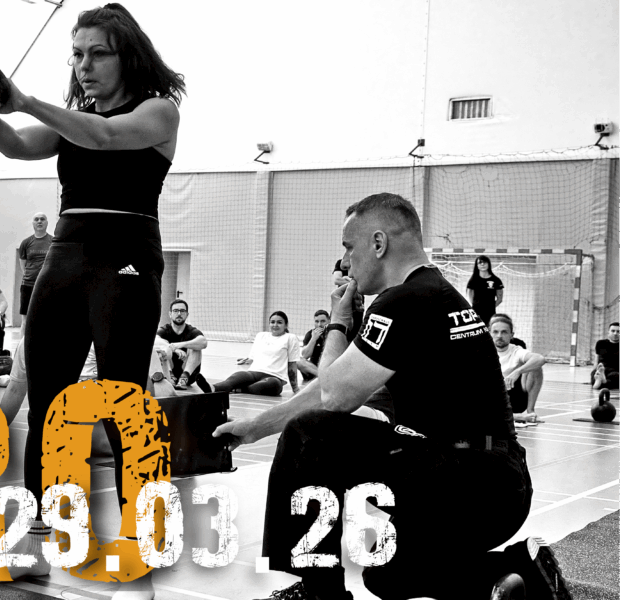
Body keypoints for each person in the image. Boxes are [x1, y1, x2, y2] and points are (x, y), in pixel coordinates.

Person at [214, 193, 558, 600]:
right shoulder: (440, 297)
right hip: (497, 487)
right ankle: (515, 573)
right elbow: (345, 396)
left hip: (466, 481)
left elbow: (333, 395)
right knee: (386, 573)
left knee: (310, 435)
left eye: (349, 247)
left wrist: (338, 323)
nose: (346, 263)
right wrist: (256, 428)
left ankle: (317, 593)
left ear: (378, 243)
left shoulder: (404, 300)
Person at [0, 4, 185, 594]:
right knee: (47, 406)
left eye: (96, 53)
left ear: (128, 55)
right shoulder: (72, 118)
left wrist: (26, 100)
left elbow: (105, 137)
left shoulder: (158, 111)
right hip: (65, 260)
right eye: (76, 54)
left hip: (125, 259)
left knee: (124, 405)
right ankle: (36, 542)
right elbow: (14, 145)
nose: (83, 65)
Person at [212, 311, 302, 396]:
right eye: (272, 322)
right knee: (236, 377)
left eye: (279, 322)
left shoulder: (291, 338)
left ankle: (241, 389)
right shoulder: (261, 335)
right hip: (253, 373)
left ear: (286, 325)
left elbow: (292, 364)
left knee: (274, 385)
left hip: (274, 377)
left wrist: (295, 388)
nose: (275, 325)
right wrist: (247, 360)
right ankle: (211, 388)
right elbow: (253, 357)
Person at [489, 314, 545, 425]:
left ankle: (530, 411)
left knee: (536, 368)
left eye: (504, 332)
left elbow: (540, 359)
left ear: (511, 335)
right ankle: (518, 417)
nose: (499, 336)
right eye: (495, 332)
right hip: (492, 399)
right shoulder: (481, 352)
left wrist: (517, 371)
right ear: (489, 334)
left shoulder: (516, 350)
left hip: (514, 398)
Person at [156, 299, 212, 392]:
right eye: (175, 311)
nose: (179, 313)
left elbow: (203, 342)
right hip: (168, 373)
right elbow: (155, 340)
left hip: (189, 375)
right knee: (162, 347)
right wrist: (173, 348)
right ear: (170, 314)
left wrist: (179, 345)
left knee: (196, 347)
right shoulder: (164, 330)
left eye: (182, 311)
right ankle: (171, 377)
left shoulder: (191, 330)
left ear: (187, 314)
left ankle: (183, 379)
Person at [17, 212, 53, 327]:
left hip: (47, 286)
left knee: (47, 318)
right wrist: (31, 277)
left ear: (47, 223)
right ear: (33, 223)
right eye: (36, 219)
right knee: (26, 320)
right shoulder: (26, 243)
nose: (39, 221)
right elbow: (23, 264)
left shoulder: (53, 242)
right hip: (28, 285)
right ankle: (24, 339)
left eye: (42, 219)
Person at [466, 254, 504, 326]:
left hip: (490, 314)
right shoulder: (473, 280)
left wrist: (490, 307)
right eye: (480, 263)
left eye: (485, 262)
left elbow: (500, 299)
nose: (482, 264)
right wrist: (477, 306)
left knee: (488, 330)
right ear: (477, 266)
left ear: (489, 264)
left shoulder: (496, 280)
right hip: (476, 313)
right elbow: (470, 296)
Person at [331, 258, 365, 340]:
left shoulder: (361, 262)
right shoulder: (340, 263)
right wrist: (353, 283)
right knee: (338, 326)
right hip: (342, 299)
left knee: (356, 331)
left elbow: (365, 283)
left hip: (357, 301)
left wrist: (346, 279)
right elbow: (336, 280)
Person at [295, 309, 331, 383]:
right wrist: (313, 339)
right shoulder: (310, 334)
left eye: (323, 321)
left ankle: (325, 377)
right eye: (317, 321)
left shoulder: (333, 334)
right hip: (314, 370)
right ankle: (324, 377)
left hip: (329, 368)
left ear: (329, 321)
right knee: (298, 361)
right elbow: (305, 355)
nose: (319, 324)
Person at [591, 322, 619, 390]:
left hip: (615, 371)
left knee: (615, 376)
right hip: (602, 369)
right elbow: (596, 360)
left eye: (618, 332)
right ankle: (602, 381)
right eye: (613, 331)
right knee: (595, 374)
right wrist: (594, 371)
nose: (615, 333)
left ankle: (602, 382)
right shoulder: (600, 343)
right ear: (608, 332)